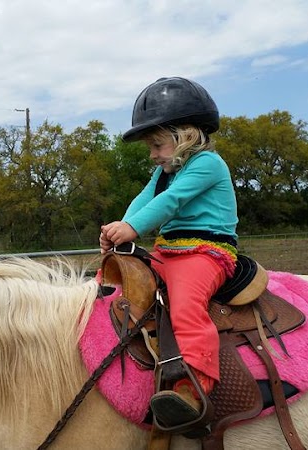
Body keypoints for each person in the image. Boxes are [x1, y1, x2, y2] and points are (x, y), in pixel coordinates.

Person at [100, 76, 238, 427]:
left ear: (185, 136)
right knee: (113, 281)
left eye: (158, 145)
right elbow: (146, 199)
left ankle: (193, 385)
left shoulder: (207, 164)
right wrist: (120, 228)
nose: (153, 154)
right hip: (169, 250)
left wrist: (133, 229)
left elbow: (170, 203)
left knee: (186, 302)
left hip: (206, 252)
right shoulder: (165, 170)